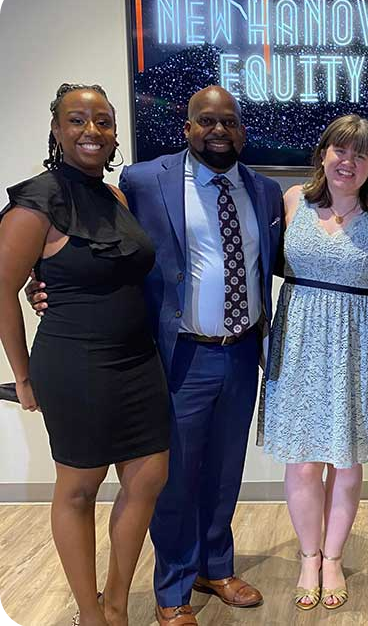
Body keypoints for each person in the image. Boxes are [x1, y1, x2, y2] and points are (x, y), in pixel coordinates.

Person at [28, 86, 284, 626]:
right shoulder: (144, 181)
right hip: (178, 353)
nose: (219, 130)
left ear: (242, 130)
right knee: (171, 477)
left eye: (230, 122)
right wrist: (44, 280)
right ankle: (173, 587)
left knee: (224, 472)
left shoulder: (263, 190)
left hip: (241, 352)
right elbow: (98, 243)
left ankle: (216, 566)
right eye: (206, 121)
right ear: (187, 128)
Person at [0, 83, 170, 626]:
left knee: (147, 476)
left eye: (103, 121)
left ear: (115, 131)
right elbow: (3, 287)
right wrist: (22, 377)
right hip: (76, 364)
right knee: (78, 489)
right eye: (77, 120)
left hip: (137, 360)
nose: (91, 131)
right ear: (56, 129)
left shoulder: (116, 197)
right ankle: (90, 614)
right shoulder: (36, 201)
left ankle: (116, 602)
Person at [258, 114, 368, 611]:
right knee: (301, 464)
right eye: (340, 150)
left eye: (360, 154)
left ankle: (334, 557)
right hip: (297, 342)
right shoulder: (293, 201)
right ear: (323, 154)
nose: (348, 161)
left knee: (346, 463)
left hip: (355, 345)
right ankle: (308, 556)